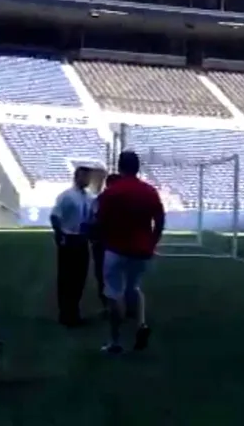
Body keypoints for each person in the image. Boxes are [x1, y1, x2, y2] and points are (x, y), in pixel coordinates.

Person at [96, 151, 165, 354]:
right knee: (134, 287)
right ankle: (141, 324)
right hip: (141, 249)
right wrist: (152, 242)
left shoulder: (112, 192)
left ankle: (115, 341)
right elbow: (160, 220)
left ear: (120, 167)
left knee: (114, 293)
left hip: (116, 249)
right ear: (138, 167)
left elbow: (101, 220)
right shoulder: (149, 191)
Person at [50, 166, 94, 327]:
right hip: (69, 239)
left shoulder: (89, 198)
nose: (88, 181)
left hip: (82, 240)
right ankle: (66, 313)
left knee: (80, 278)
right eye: (85, 177)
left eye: (89, 178)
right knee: (67, 278)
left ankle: (74, 311)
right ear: (77, 177)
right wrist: (60, 234)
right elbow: (55, 216)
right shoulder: (66, 196)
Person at [90, 173, 121, 315]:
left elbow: (93, 220)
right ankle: (115, 304)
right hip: (113, 243)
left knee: (103, 274)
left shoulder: (100, 200)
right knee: (114, 274)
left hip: (104, 243)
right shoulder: (118, 200)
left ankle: (108, 305)